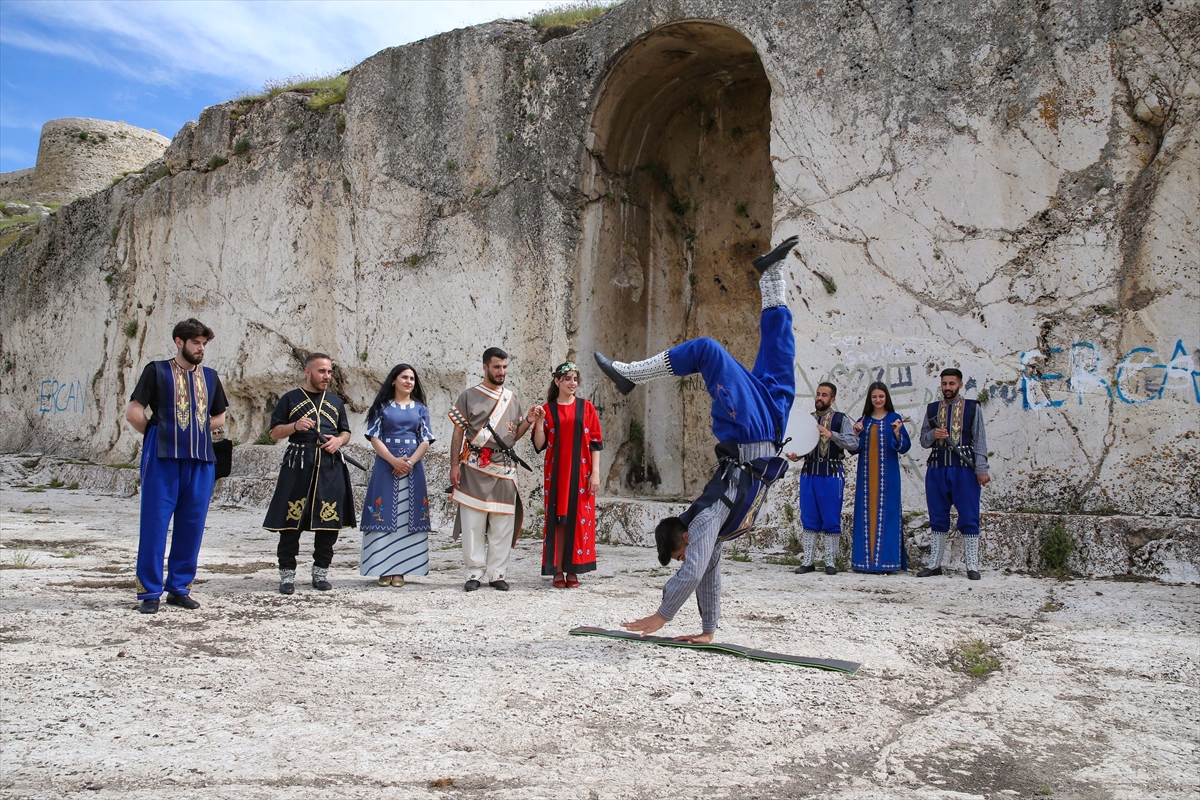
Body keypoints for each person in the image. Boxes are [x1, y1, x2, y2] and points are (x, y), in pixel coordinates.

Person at [595, 234, 799, 644]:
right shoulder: (711, 528)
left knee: (707, 350)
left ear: (684, 538)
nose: (685, 560)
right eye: (679, 559)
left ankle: (631, 375)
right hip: (768, 429)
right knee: (780, 349)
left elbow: (693, 570)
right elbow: (708, 573)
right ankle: (771, 275)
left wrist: (661, 616)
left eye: (679, 554)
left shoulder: (704, 520)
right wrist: (707, 630)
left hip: (749, 432)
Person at [125, 318, 228, 614]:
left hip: (200, 459)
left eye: (204, 344)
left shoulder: (210, 376)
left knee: (192, 524)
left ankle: (179, 587)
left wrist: (199, 427)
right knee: (155, 524)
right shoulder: (156, 370)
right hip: (162, 458)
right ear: (179, 342)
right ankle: (149, 591)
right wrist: (159, 432)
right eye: (196, 342)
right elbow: (134, 413)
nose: (201, 348)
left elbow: (219, 416)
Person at [262, 353, 356, 594]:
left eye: (329, 371)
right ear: (307, 372)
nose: (327, 376)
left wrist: (339, 442)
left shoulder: (335, 402)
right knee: (290, 524)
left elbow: (345, 432)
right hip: (298, 465)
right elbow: (274, 433)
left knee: (328, 524)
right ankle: (287, 576)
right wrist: (294, 426)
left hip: (329, 466)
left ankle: (320, 573)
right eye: (322, 371)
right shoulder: (290, 399)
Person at [448, 347, 539, 592]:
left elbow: (512, 435)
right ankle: (474, 573)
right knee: (473, 523)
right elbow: (458, 432)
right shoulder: (468, 396)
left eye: (505, 367)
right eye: (497, 367)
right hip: (474, 467)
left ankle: (497, 573)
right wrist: (454, 464)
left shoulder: (512, 398)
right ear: (485, 367)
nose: (501, 371)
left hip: (504, 468)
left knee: (502, 524)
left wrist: (528, 421)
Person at [359, 364, 436, 587]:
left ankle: (402, 569)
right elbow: (374, 437)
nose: (409, 381)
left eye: (412, 378)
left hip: (413, 468)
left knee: (407, 515)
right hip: (385, 466)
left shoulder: (421, 408)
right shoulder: (382, 407)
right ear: (394, 380)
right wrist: (393, 460)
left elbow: (425, 439)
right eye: (404, 377)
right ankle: (381, 567)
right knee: (383, 513)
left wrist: (410, 462)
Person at [531, 362, 603, 588]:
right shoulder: (548, 409)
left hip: (582, 474)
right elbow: (539, 443)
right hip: (557, 474)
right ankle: (558, 570)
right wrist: (540, 420)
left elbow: (595, 443)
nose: (573, 383)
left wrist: (595, 473)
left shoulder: (587, 407)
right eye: (568, 378)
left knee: (579, 520)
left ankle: (574, 569)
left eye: (575, 379)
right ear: (557, 382)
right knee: (558, 521)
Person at [918, 368, 991, 580]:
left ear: (960, 384)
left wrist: (981, 469)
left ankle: (972, 566)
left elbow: (979, 439)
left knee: (969, 515)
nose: (947, 388)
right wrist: (934, 434)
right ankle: (934, 564)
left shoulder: (971, 408)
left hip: (964, 469)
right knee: (937, 516)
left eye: (952, 383)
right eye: (944, 384)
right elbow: (923, 440)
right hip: (937, 468)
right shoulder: (932, 410)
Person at [785, 382, 858, 575]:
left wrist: (831, 434)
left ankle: (830, 562)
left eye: (824, 395)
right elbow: (801, 444)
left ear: (832, 399)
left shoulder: (841, 419)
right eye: (818, 394)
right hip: (809, 472)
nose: (820, 398)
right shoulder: (807, 420)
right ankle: (808, 561)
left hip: (832, 473)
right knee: (808, 516)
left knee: (831, 517)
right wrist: (795, 455)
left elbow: (853, 442)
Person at [850, 382, 912, 573]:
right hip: (866, 479)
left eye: (881, 397)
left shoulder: (895, 418)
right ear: (870, 399)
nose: (878, 400)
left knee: (889, 515)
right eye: (874, 397)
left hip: (888, 477)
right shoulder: (865, 420)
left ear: (887, 398)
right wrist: (856, 433)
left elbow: (904, 447)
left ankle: (887, 563)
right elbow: (855, 449)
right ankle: (864, 563)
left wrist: (897, 431)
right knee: (865, 515)